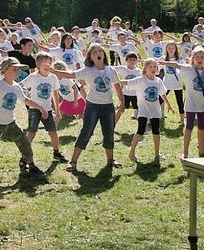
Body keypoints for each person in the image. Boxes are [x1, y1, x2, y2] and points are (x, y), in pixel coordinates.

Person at [48, 44, 125, 172]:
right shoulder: (88, 70)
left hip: (108, 106)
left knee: (109, 132)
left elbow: (117, 88)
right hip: (92, 106)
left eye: (100, 51)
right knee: (86, 132)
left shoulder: (111, 70)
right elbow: (71, 74)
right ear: (90, 56)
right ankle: (73, 162)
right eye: (94, 52)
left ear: (104, 54)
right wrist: (55, 71)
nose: (98, 53)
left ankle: (110, 160)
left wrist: (122, 104)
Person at [160, 46, 204, 158]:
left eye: (202, 57)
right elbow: (177, 65)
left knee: (201, 128)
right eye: (197, 56)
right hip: (191, 104)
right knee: (188, 127)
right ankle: (185, 152)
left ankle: (201, 149)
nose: (200, 59)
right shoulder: (189, 69)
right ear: (193, 58)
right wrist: (165, 62)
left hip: (202, 104)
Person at [20, 52, 68, 163]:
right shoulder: (33, 77)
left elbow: (55, 93)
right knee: (31, 133)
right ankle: (24, 157)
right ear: (38, 65)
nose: (48, 66)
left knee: (53, 132)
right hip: (34, 109)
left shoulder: (53, 77)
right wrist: (25, 94)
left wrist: (57, 110)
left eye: (50, 64)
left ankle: (56, 152)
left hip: (48, 109)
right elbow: (21, 86)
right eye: (45, 64)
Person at [125, 58, 173, 162]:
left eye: (155, 67)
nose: (153, 68)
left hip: (155, 110)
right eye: (150, 67)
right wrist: (113, 80)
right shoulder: (140, 80)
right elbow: (127, 82)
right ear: (145, 68)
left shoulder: (158, 81)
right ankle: (131, 152)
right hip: (143, 110)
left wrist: (169, 104)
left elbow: (162, 93)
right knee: (140, 131)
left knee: (156, 131)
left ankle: (157, 154)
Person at [158, 42, 185, 123]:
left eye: (173, 48)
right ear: (166, 49)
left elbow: (184, 68)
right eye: (169, 48)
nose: (171, 50)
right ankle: (151, 117)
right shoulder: (163, 58)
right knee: (159, 100)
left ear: (176, 49)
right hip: (167, 83)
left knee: (180, 102)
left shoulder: (179, 58)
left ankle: (182, 120)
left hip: (177, 83)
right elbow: (157, 67)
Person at [114, 53, 142, 122]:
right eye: (130, 59)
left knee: (141, 110)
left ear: (136, 61)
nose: (132, 61)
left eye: (134, 60)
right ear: (126, 60)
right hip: (125, 94)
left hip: (136, 94)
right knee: (121, 109)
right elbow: (111, 69)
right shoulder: (123, 68)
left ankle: (146, 125)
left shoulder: (138, 71)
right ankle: (113, 124)